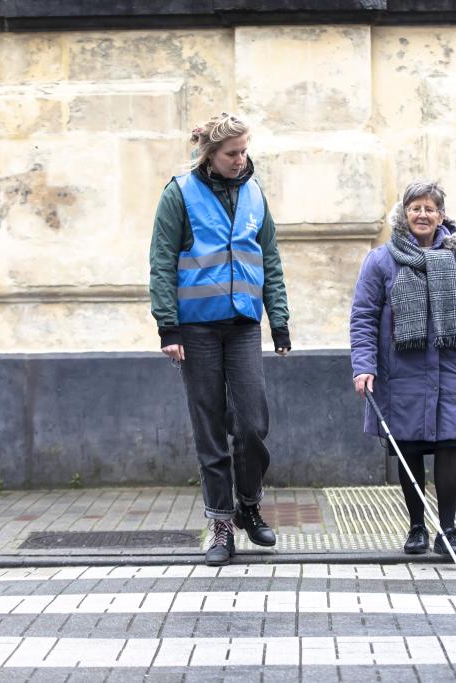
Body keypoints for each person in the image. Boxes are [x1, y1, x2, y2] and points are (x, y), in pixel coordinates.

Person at [149, 112, 291, 567]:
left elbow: (268, 257)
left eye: (244, 151)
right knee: (210, 428)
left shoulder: (254, 193)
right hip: (196, 329)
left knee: (252, 424)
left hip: (244, 324)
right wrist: (167, 326)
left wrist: (280, 319)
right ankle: (221, 524)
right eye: (232, 153)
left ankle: (249, 502)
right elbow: (162, 261)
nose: (240, 160)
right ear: (208, 154)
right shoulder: (179, 194)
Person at [350, 181, 456, 559]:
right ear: (403, 214)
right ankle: (417, 527)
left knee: (450, 447)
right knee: (410, 450)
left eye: (429, 208)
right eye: (414, 208)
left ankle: (448, 530)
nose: (422, 214)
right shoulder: (381, 260)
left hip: (451, 371)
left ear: (441, 215)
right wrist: (364, 366)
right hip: (401, 372)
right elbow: (363, 318)